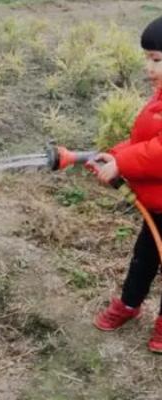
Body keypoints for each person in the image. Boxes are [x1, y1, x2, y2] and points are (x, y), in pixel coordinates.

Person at [93, 15, 162, 353]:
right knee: (144, 257)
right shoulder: (157, 100)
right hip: (157, 208)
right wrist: (115, 155)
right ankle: (130, 304)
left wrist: (123, 163)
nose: (149, 67)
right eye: (147, 58)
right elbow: (142, 142)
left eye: (157, 59)